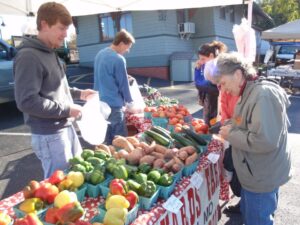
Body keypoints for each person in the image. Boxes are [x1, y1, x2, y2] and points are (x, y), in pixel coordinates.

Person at [13, 2, 96, 179]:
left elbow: (57, 86)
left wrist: (79, 94)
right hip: (50, 134)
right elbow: (27, 101)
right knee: (59, 187)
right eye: (61, 28)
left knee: (76, 178)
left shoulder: (50, 52)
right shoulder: (29, 56)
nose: (65, 34)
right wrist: (67, 110)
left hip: (64, 127)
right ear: (44, 24)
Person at [215, 52, 292, 225]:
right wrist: (229, 123)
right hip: (256, 172)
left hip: (261, 175)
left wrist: (230, 134)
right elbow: (245, 120)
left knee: (257, 220)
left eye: (224, 83)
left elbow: (265, 140)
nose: (224, 89)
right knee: (253, 217)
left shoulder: (262, 94)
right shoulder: (250, 90)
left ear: (237, 74)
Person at [205, 59, 242, 213]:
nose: (220, 87)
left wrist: (228, 125)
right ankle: (243, 202)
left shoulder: (241, 90)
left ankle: (245, 203)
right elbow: (226, 110)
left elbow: (241, 118)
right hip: (231, 133)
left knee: (239, 171)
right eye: (216, 84)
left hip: (238, 135)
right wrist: (223, 124)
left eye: (220, 83)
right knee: (232, 167)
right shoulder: (225, 88)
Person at [93, 29, 135, 145]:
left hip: (100, 102)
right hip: (114, 105)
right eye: (127, 47)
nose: (128, 50)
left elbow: (102, 76)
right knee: (121, 141)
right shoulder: (119, 59)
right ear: (121, 43)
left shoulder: (100, 54)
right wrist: (129, 101)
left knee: (106, 138)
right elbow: (123, 84)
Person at [196, 41, 227, 126]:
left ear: (211, 56)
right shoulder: (212, 65)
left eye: (203, 59)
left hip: (214, 105)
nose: (200, 61)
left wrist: (197, 70)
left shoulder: (214, 69)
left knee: (211, 125)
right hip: (211, 103)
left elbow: (199, 84)